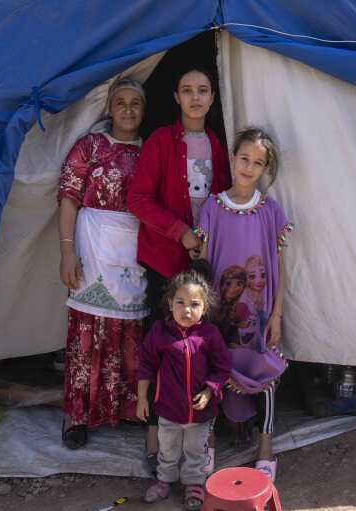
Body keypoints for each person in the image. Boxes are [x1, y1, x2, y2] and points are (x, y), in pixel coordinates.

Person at [128, 66, 231, 468]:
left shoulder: (215, 144)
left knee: (203, 346)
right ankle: (155, 432)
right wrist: (181, 232)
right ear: (175, 97)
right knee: (162, 347)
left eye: (202, 90)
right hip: (166, 258)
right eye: (186, 90)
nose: (195, 97)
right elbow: (138, 199)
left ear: (212, 97)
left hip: (202, 263)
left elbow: (220, 196)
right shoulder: (159, 141)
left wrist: (205, 237)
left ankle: (202, 433)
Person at [194, 127, 292, 482]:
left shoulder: (270, 211)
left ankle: (266, 448)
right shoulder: (214, 207)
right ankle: (209, 444)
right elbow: (203, 266)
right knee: (213, 372)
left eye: (258, 162)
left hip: (260, 317)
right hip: (220, 317)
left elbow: (280, 268)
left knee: (264, 371)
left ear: (265, 168)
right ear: (233, 158)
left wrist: (277, 313)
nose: (249, 167)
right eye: (244, 158)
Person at [57, 78, 149, 449]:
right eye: (120, 102)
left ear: (144, 110)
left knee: (131, 333)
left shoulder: (152, 150)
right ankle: (76, 415)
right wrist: (66, 250)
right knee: (87, 331)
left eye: (135, 103)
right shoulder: (90, 146)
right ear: (109, 108)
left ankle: (127, 410)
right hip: (92, 245)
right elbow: (67, 197)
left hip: (133, 250)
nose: (127, 109)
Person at [136, 265, 231, 510]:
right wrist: (142, 399)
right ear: (170, 303)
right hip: (168, 409)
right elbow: (145, 364)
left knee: (195, 451)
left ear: (205, 307)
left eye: (194, 304)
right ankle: (164, 481)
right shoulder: (160, 333)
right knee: (167, 448)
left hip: (200, 413)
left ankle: (194, 485)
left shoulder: (210, 335)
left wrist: (210, 390)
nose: (187, 310)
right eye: (180, 302)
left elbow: (222, 368)